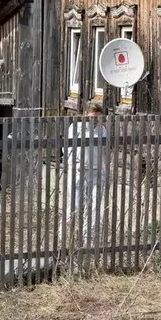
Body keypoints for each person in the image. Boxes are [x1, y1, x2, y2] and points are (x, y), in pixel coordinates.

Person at [63, 100, 110, 250]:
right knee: (75, 208)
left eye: (98, 117)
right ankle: (65, 240)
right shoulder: (75, 128)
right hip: (78, 171)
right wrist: (74, 163)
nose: (95, 120)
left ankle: (87, 243)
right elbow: (67, 148)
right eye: (92, 117)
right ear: (85, 115)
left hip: (96, 173)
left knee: (94, 208)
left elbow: (105, 151)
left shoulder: (102, 130)